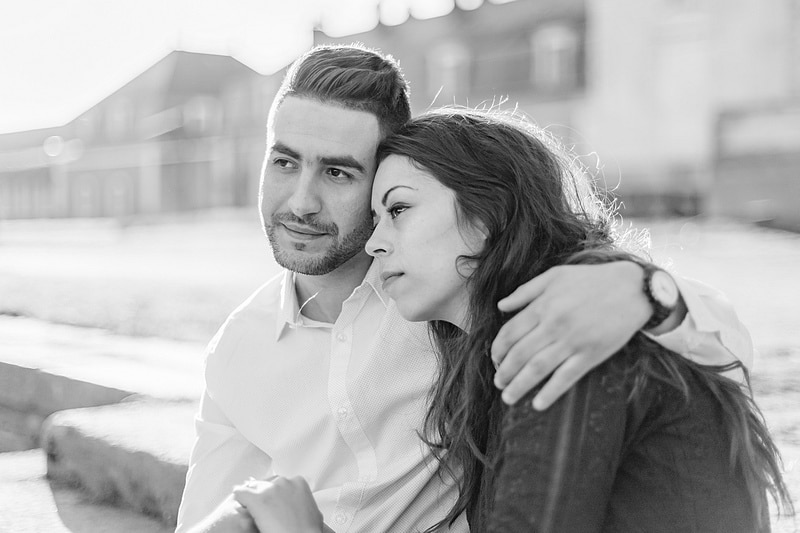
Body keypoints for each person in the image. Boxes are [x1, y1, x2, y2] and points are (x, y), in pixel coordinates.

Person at [176, 44, 757, 533]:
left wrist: (646, 293)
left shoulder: (517, 319)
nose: (301, 202)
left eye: (337, 172)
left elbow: (720, 351)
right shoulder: (239, 349)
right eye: (283, 162)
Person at [361, 107, 793, 531]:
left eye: (398, 210)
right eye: (375, 220)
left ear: (487, 216)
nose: (374, 244)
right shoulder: (503, 358)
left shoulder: (567, 342)